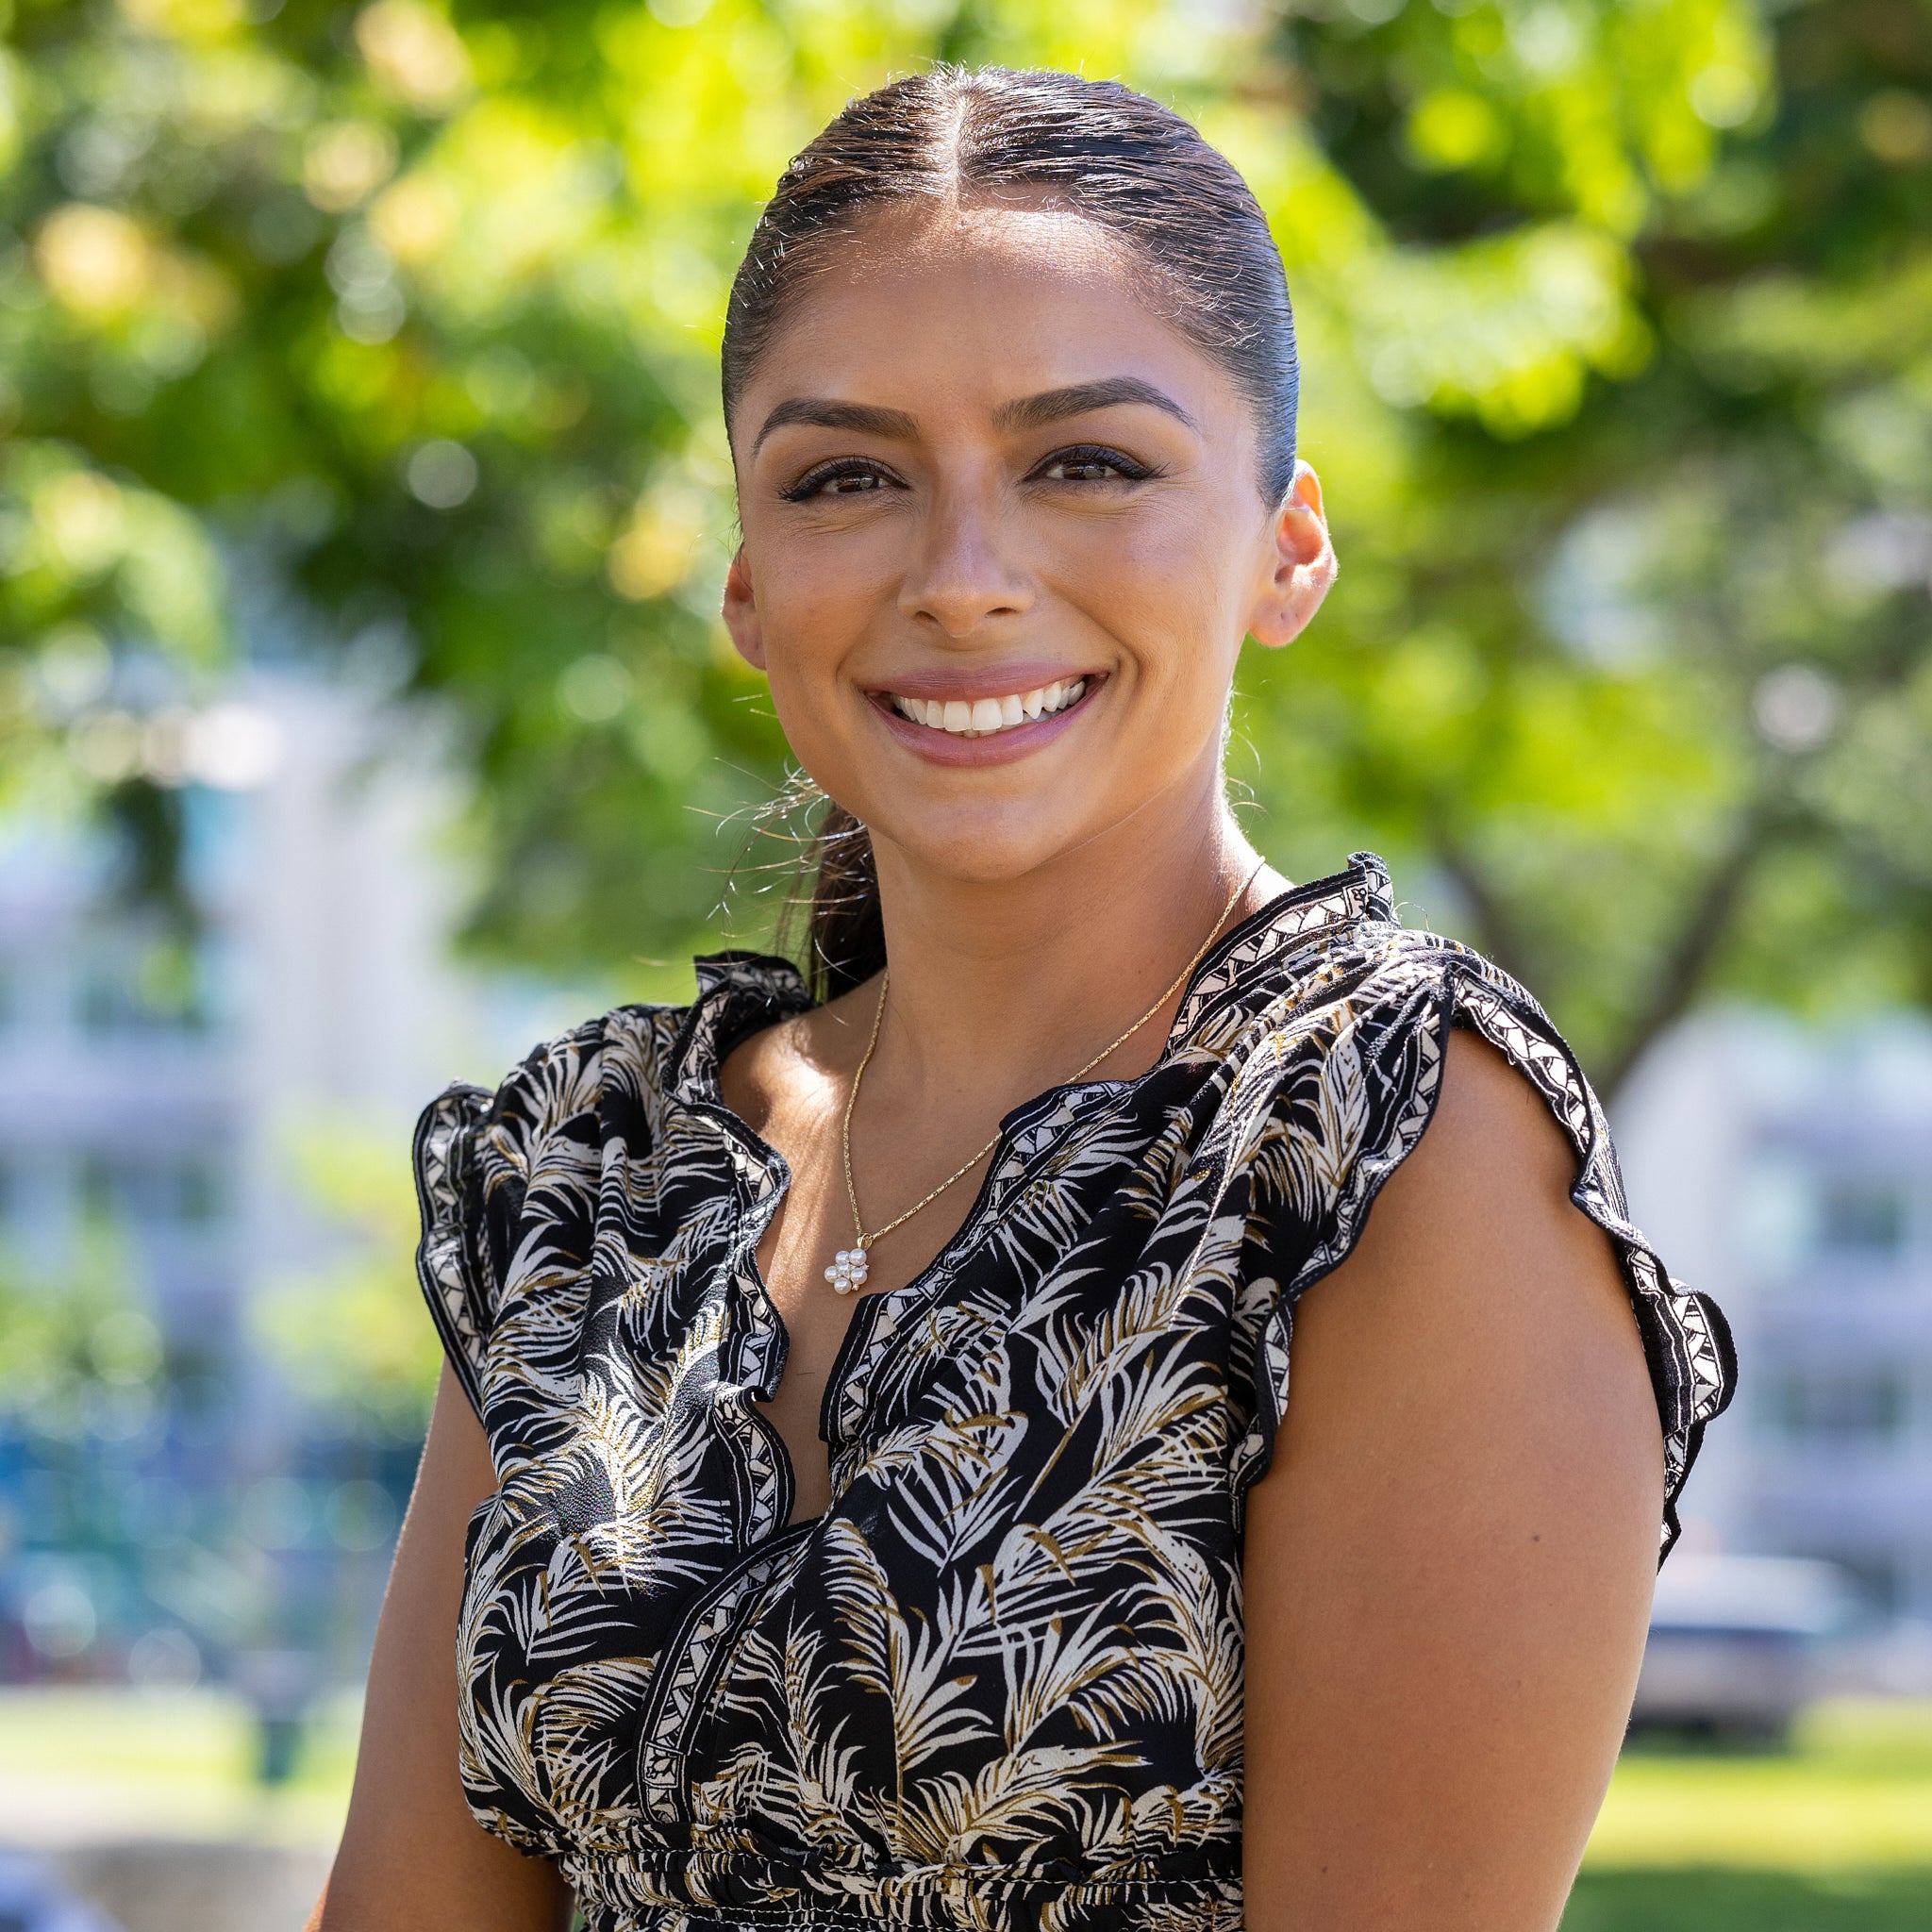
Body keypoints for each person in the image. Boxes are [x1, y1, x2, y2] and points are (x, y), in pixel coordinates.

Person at [308, 66, 1734, 1932]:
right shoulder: (601, 1177)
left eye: (1087, 463)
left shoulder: (1384, 1141)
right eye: (847, 478)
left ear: (1285, 546)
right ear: (745, 581)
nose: (962, 580)